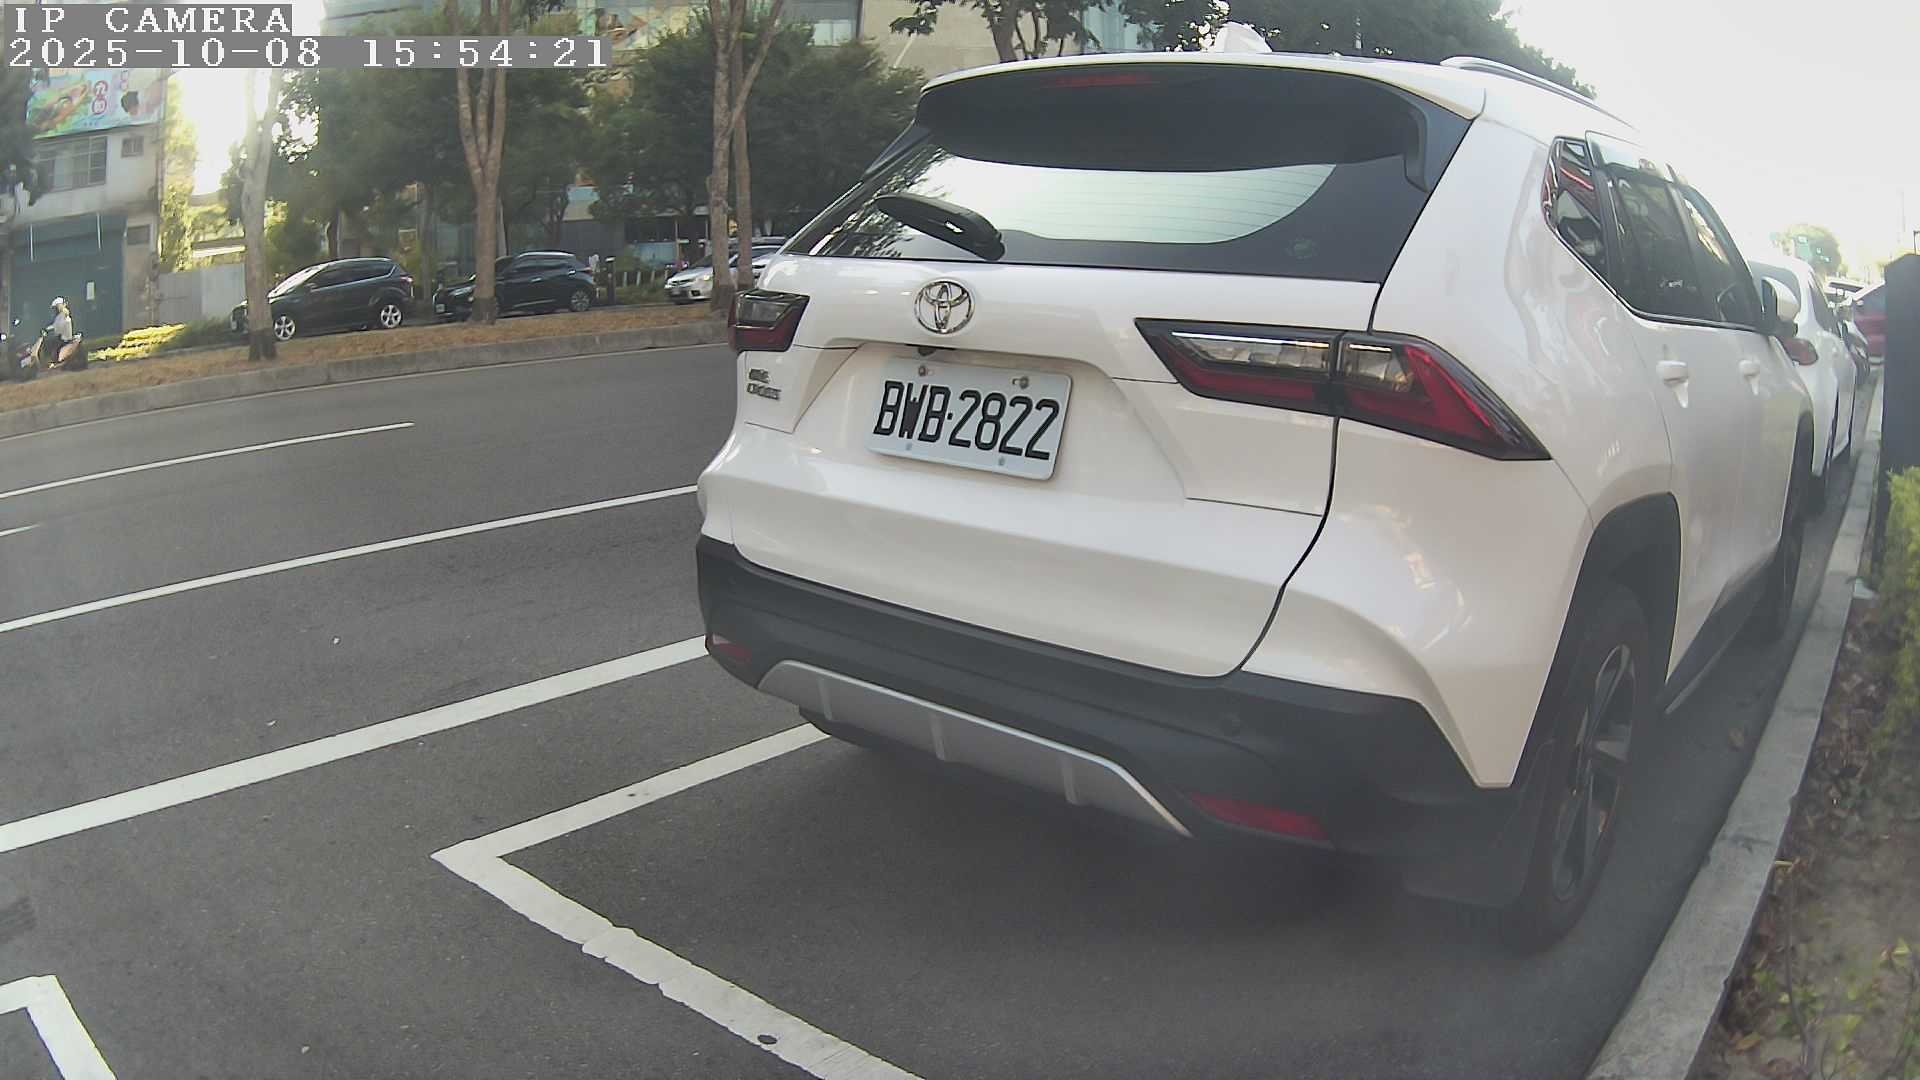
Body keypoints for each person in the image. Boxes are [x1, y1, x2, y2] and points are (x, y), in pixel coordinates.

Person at [45, 297, 82, 370]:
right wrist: (47, 329)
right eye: (56, 307)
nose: (56, 309)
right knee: (50, 344)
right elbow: (55, 326)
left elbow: (59, 327)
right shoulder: (59, 317)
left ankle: (56, 362)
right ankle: (54, 361)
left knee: (52, 345)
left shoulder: (64, 315)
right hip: (61, 338)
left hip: (66, 339)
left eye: (57, 307)